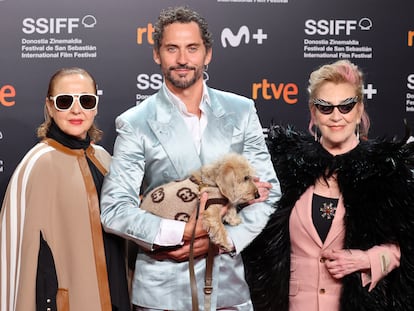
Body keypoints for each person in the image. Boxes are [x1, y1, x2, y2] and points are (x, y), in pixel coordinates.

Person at [100, 6, 281, 311]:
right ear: (157, 54)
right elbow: (115, 209)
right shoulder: (135, 122)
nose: (183, 59)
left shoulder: (241, 111)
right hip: (161, 292)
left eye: (192, 48)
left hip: (228, 291)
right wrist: (177, 235)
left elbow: (268, 191)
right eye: (172, 48)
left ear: (207, 54)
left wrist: (223, 239)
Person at [242, 59, 414, 311]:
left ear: (359, 111)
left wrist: (366, 259)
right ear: (313, 112)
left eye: (346, 107)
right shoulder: (283, 169)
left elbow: (406, 247)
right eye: (325, 107)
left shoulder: (386, 172)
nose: (336, 116)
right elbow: (255, 242)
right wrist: (247, 206)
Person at [0, 67, 130, 311]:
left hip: (115, 293)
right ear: (50, 107)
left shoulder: (104, 160)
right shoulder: (38, 164)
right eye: (65, 101)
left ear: (96, 106)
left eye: (86, 100)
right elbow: (17, 255)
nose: (76, 109)